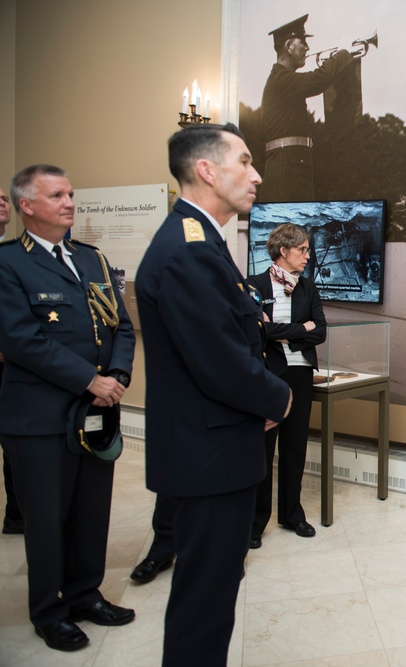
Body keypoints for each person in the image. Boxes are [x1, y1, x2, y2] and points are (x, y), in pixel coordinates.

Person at [136, 123, 291, 666]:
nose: (257, 175)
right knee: (204, 602)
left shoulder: (202, 241)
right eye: (245, 161)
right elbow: (222, 361)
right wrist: (281, 401)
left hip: (215, 449)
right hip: (209, 456)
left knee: (212, 593)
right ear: (206, 169)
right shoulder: (187, 250)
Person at [0, 165, 135, 651]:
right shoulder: (8, 263)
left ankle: (84, 594)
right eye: (57, 195)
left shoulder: (92, 259)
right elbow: (21, 340)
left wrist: (116, 378)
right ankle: (49, 611)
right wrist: (89, 380)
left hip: (95, 413)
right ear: (27, 206)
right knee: (46, 519)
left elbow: (120, 325)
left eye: (72, 193)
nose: (70, 202)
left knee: (90, 511)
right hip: (38, 418)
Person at [247, 223, 326, 548]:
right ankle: (255, 522)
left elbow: (319, 331)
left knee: (295, 448)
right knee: (263, 451)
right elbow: (255, 331)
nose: (308, 256)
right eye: (303, 250)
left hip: (301, 374)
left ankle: (292, 513)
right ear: (284, 251)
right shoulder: (254, 285)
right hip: (268, 375)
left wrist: (279, 330)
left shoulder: (308, 287)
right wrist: (298, 328)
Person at [258, 14, 356, 202]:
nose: (307, 48)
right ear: (289, 46)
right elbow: (319, 80)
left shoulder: (284, 80)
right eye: (302, 42)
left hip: (292, 164)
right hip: (286, 167)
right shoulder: (281, 79)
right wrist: (343, 52)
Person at [0, 185, 25, 536]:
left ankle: (17, 514)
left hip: (15, 366)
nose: (1, 204)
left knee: (17, 445)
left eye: (3, 198)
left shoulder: (17, 256)